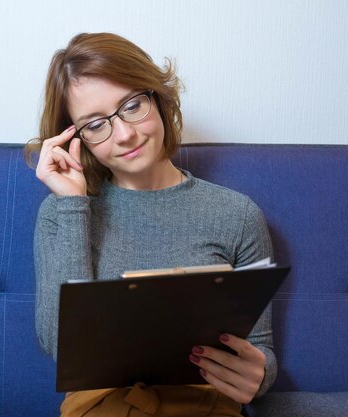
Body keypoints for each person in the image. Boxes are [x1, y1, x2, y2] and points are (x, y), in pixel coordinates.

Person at [25, 32, 276, 417]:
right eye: (95, 125)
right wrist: (74, 204)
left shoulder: (236, 214)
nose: (125, 134)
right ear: (75, 140)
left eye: (131, 105)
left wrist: (260, 376)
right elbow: (61, 347)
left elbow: (260, 350)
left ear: (157, 98)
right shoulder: (60, 213)